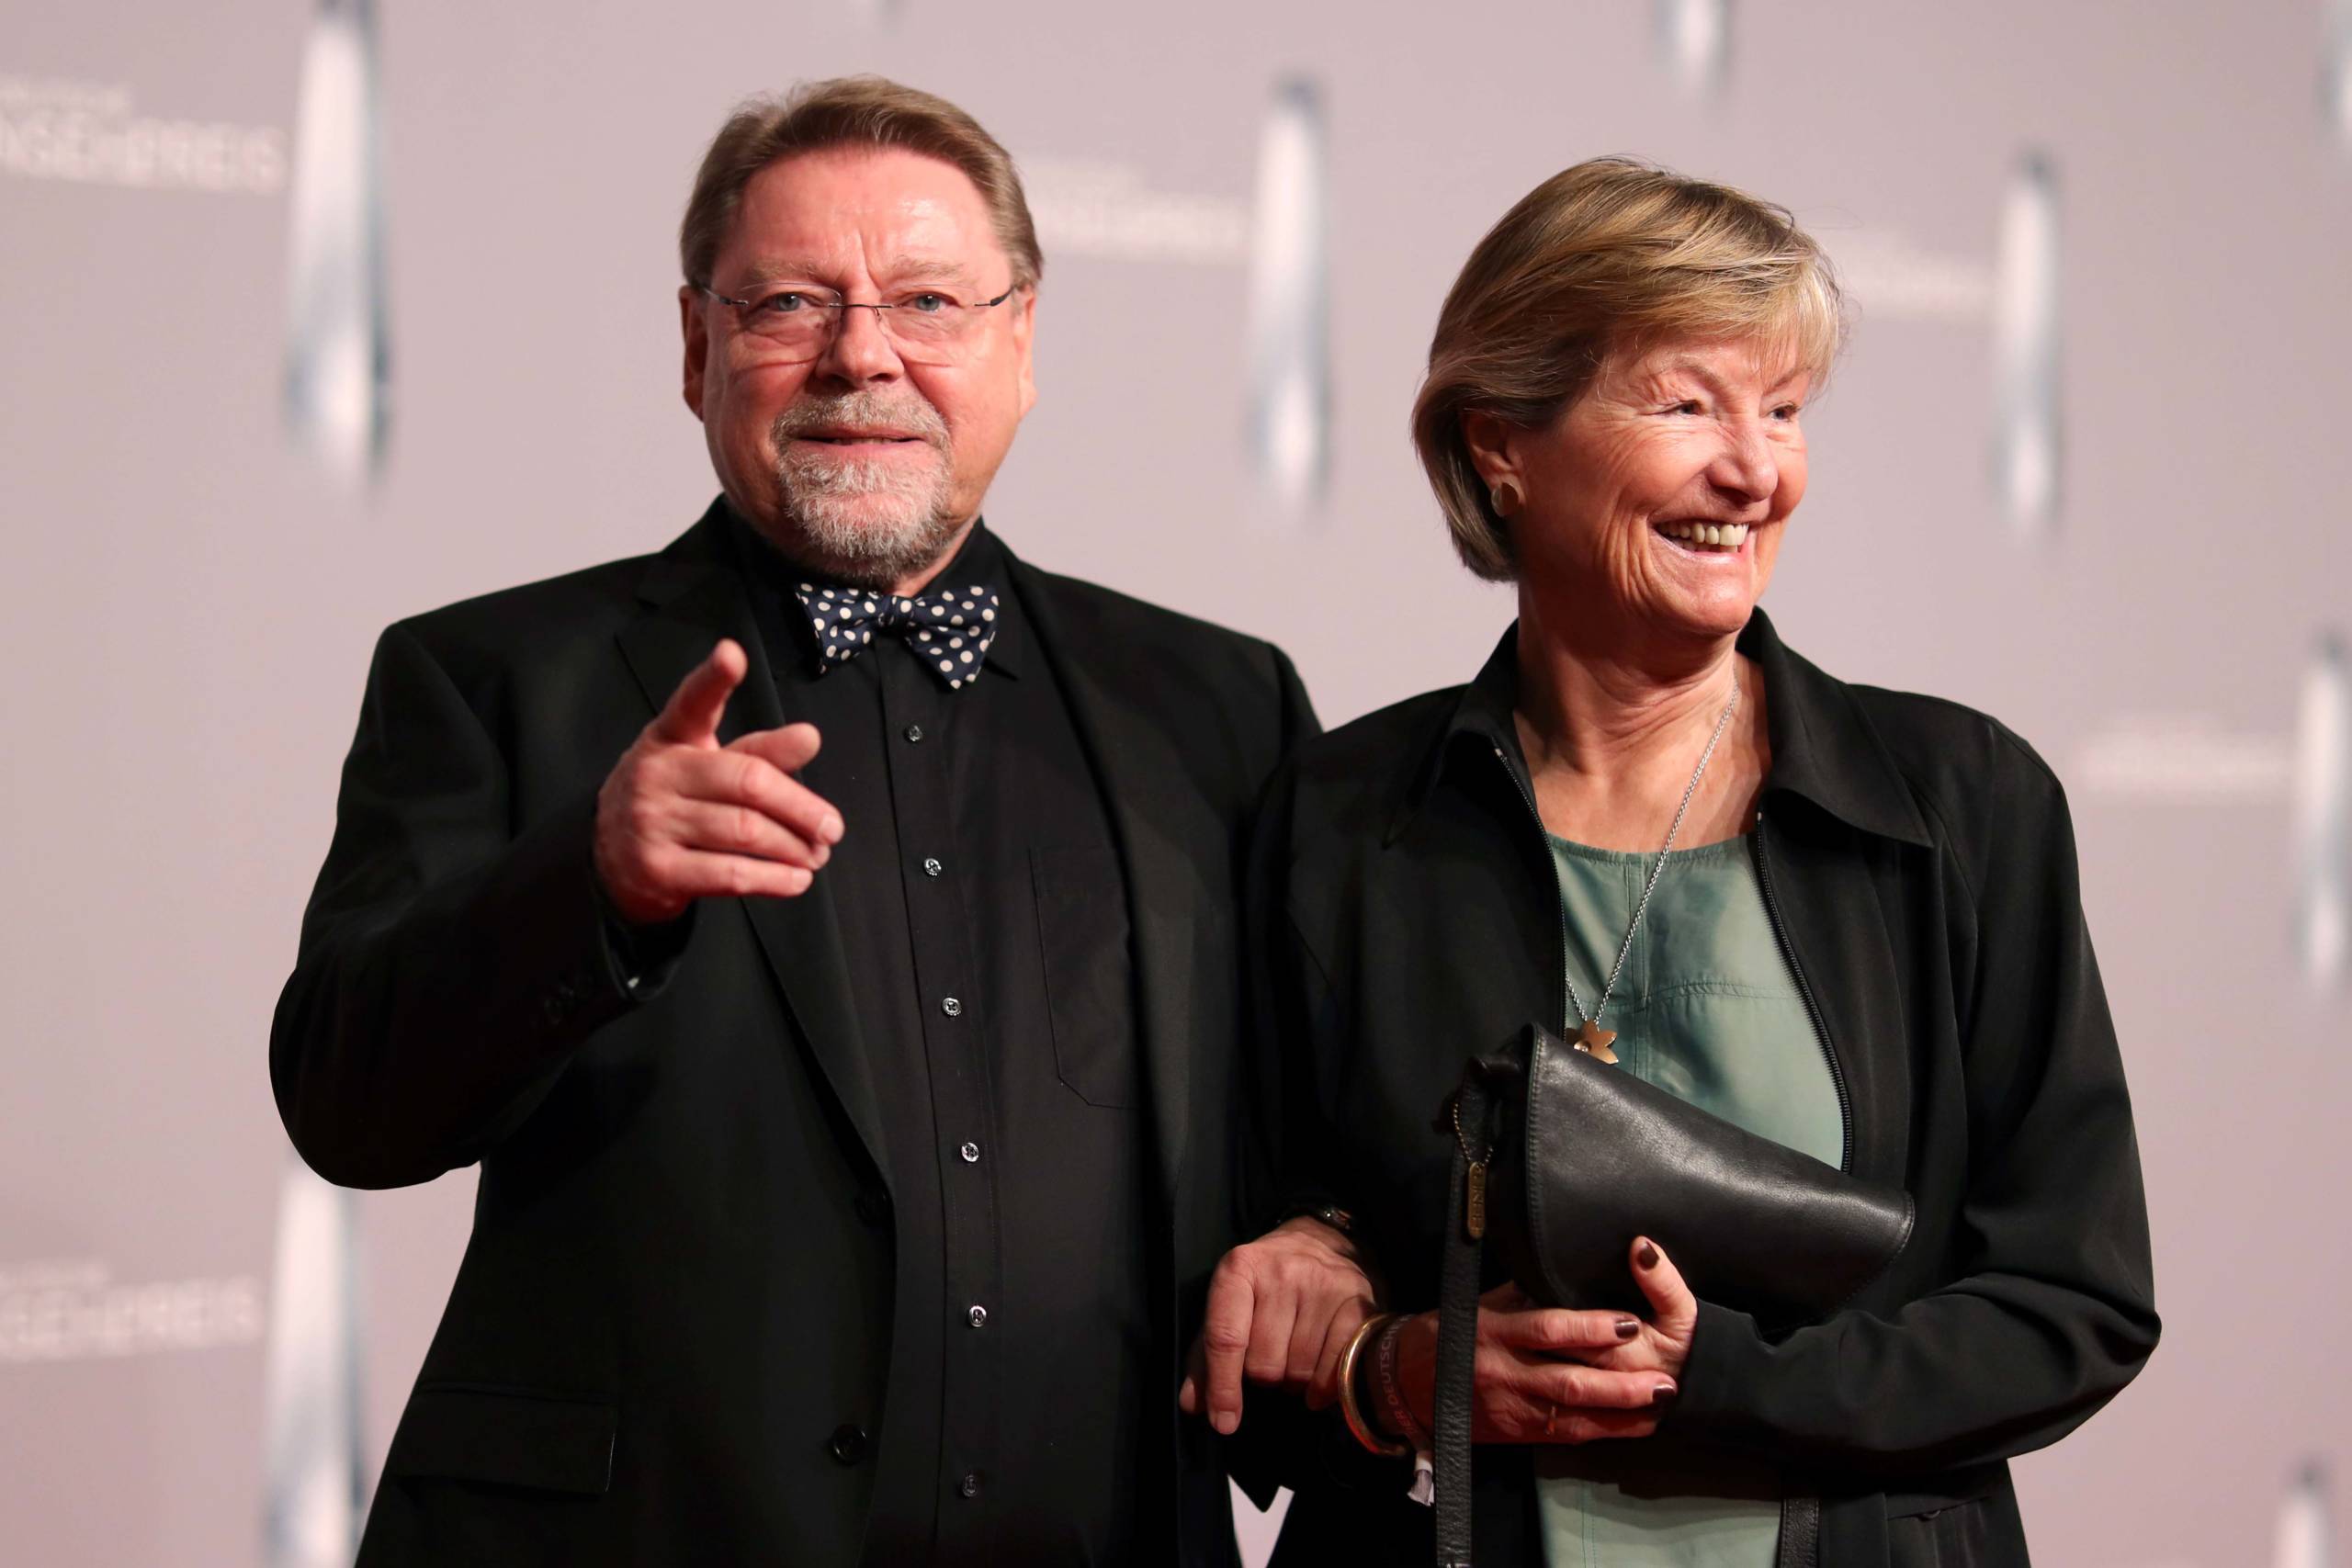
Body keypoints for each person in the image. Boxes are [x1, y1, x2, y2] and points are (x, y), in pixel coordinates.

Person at [271, 76, 1315, 1567]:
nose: (862, 356)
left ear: (1022, 342)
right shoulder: (493, 678)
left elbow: (1316, 1128)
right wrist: (591, 883)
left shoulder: (1219, 708)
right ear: (695, 347)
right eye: (789, 306)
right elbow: (344, 1104)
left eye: (930, 302)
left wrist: (1326, 1241)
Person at [1196, 159, 2158, 1565]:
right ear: (1501, 445)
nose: (1753, 469)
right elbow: (1229, 1304)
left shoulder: (1961, 803)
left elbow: (2072, 1304)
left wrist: (1718, 1386)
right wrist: (1393, 1372)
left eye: (1783, 411)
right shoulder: (1340, 815)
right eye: (1686, 402)